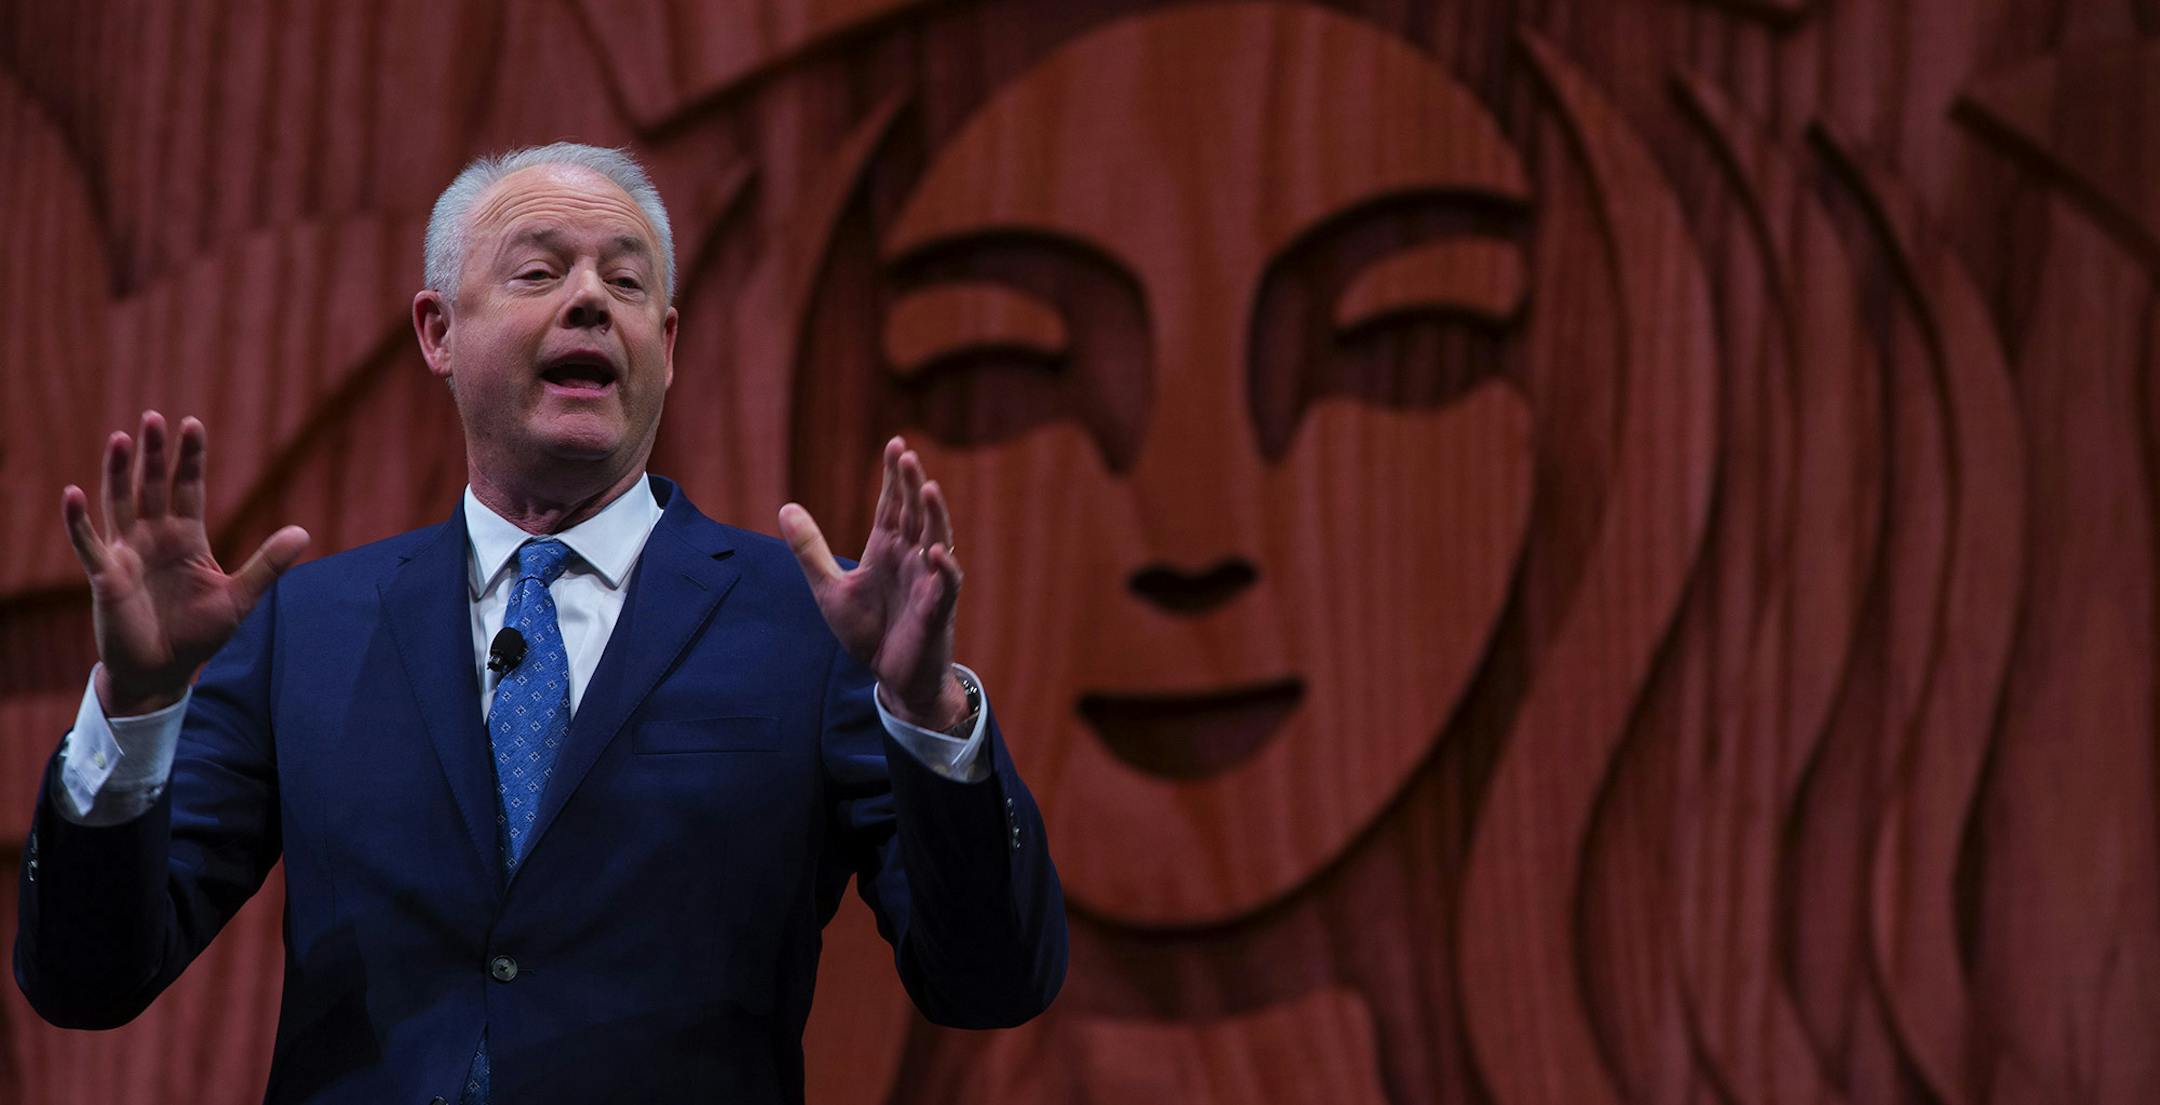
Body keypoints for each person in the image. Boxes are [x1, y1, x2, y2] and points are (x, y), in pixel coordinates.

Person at [12, 143, 1066, 1104]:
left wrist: (928, 710)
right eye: (538, 271)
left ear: (667, 343)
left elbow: (989, 981)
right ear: (438, 331)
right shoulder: (311, 627)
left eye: (626, 281)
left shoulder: (806, 625)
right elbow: (87, 979)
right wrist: (136, 709)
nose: (590, 301)